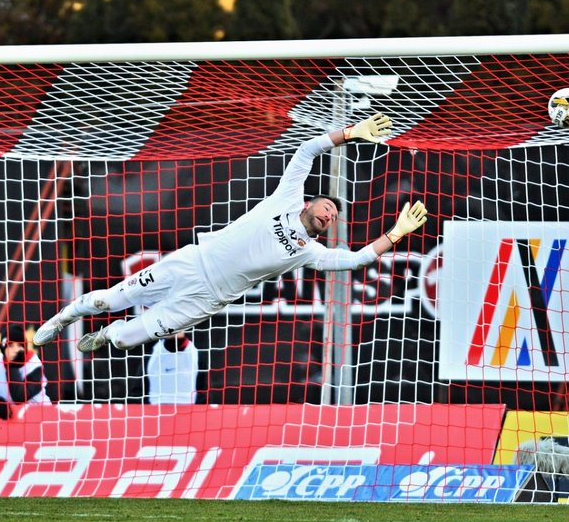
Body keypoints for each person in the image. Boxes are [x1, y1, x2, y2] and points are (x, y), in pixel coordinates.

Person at [35, 113, 428, 353]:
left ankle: (109, 337)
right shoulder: (285, 198)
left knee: (127, 338)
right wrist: (351, 132)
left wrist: (397, 231)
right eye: (327, 207)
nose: (329, 216)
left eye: (334, 217)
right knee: (112, 298)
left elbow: (358, 258)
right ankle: (61, 320)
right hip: (192, 263)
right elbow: (306, 151)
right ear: (309, 203)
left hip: (209, 298)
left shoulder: (311, 252)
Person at [0, 324, 52, 419]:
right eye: (10, 345)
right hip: (14, 420)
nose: (15, 350)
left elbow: (19, 397)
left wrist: (13, 365)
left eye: (20, 345)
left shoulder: (34, 365)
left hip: (41, 417)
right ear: (3, 348)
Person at [146, 331, 199, 404]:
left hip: (188, 409)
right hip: (156, 409)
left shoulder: (195, 354)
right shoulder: (153, 353)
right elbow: (138, 388)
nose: (174, 331)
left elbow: (203, 387)